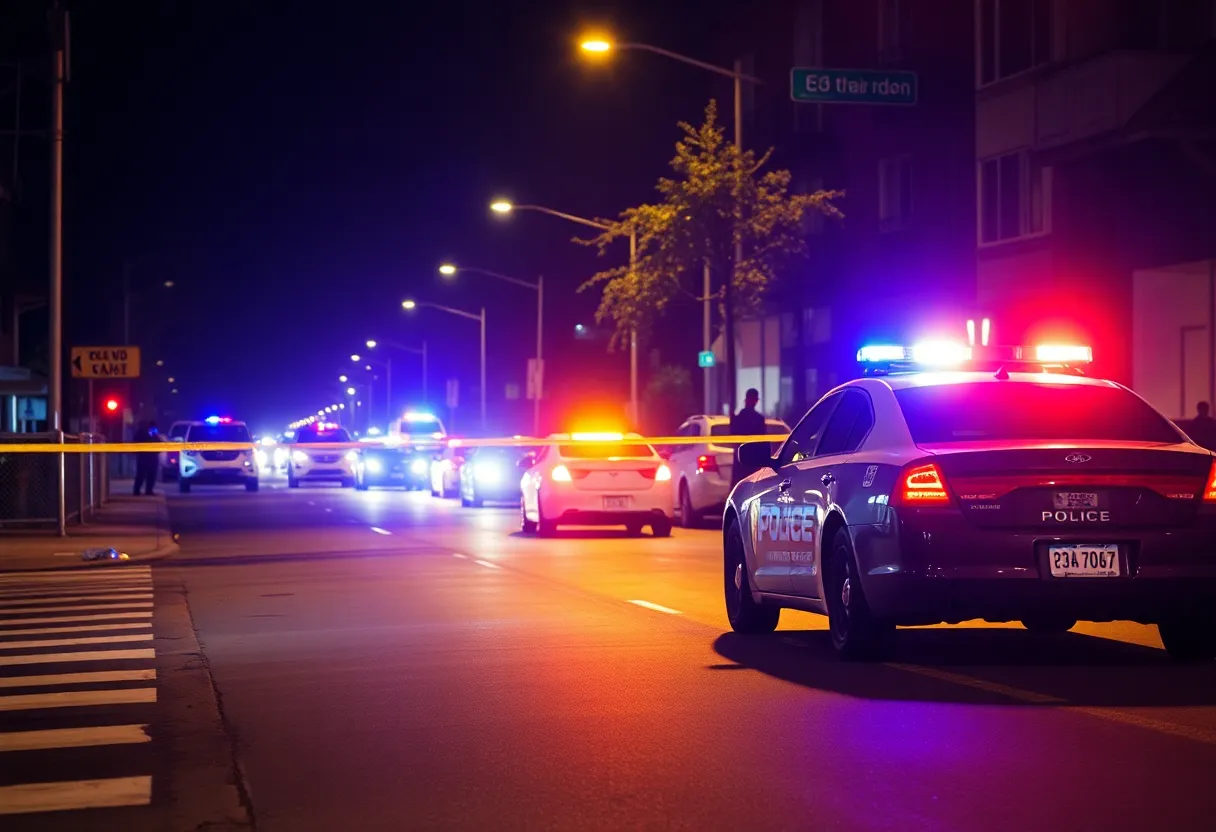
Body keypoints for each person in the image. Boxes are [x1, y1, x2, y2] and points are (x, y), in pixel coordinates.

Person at [729, 388, 767, 487]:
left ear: (746, 400)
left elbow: (733, 434)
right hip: (753, 459)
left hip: (740, 458)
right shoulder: (759, 419)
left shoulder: (738, 418)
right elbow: (762, 441)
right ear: (756, 401)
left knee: (739, 486)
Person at [133, 420, 160, 496]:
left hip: (148, 457)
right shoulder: (143, 433)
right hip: (145, 457)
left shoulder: (153, 434)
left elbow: (159, 443)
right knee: (142, 474)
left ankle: (145, 490)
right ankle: (139, 490)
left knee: (148, 475)